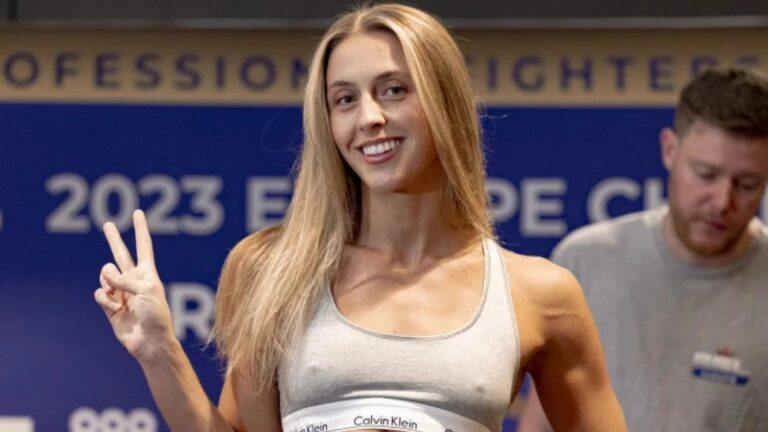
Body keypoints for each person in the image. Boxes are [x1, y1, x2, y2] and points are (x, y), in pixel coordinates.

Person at [93, 4, 626, 431]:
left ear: (445, 101)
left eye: (394, 90)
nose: (369, 118)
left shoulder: (540, 293)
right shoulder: (269, 269)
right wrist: (160, 352)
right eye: (345, 99)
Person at [519, 66, 768, 432]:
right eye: (706, 174)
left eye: (746, 184)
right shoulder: (586, 261)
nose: (722, 201)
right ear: (670, 150)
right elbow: (540, 422)